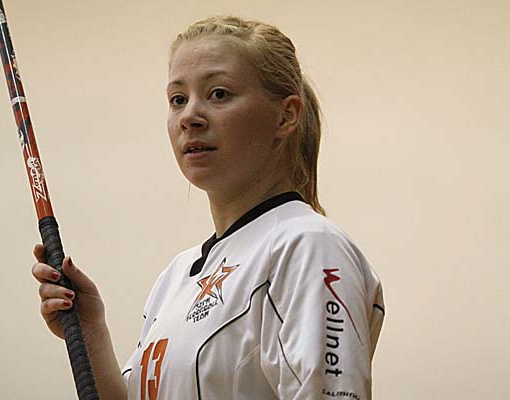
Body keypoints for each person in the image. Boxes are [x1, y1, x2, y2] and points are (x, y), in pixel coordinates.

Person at [32, 15, 385, 400]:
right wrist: (90, 332)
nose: (189, 117)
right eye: (178, 99)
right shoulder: (176, 277)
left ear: (286, 116)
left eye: (218, 94)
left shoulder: (308, 246)